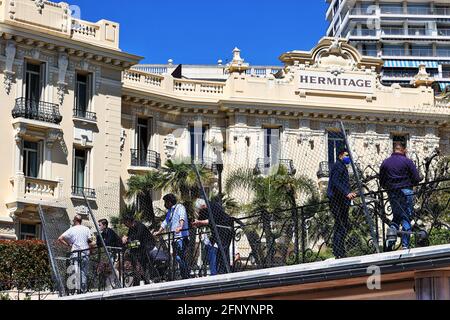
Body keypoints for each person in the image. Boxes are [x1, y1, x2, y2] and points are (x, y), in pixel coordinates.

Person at [380, 142, 422, 250]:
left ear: (394, 150)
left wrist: (389, 187)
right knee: (406, 217)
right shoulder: (407, 161)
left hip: (392, 192)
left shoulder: (385, 163)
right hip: (406, 191)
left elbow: (382, 181)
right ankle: (405, 245)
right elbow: (416, 178)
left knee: (397, 216)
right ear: (403, 150)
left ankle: (390, 242)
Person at [327, 149, 358, 259]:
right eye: (346, 155)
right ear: (340, 156)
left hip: (341, 200)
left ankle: (340, 250)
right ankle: (338, 251)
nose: (348, 157)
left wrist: (349, 193)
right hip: (337, 201)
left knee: (342, 225)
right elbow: (336, 182)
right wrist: (347, 193)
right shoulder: (338, 166)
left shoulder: (341, 166)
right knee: (340, 225)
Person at [192, 198, 234, 275]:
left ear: (203, 205)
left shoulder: (213, 206)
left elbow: (211, 220)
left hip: (225, 228)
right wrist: (197, 223)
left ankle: (225, 271)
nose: (201, 210)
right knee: (220, 251)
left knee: (224, 249)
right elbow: (201, 219)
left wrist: (199, 222)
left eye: (200, 209)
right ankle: (221, 271)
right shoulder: (204, 209)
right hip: (217, 231)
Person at [154, 194, 190, 279]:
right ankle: (183, 274)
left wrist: (180, 227)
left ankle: (186, 275)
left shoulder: (180, 207)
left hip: (181, 237)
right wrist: (159, 232)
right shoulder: (170, 211)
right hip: (174, 237)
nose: (165, 204)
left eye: (165, 202)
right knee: (177, 257)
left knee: (180, 256)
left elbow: (182, 217)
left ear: (169, 202)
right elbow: (165, 222)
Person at [58, 215, 93, 293]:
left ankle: (77, 290)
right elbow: (90, 241)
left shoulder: (72, 229)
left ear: (75, 221)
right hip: (85, 252)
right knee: (84, 272)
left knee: (76, 270)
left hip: (76, 252)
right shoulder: (86, 229)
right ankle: (83, 290)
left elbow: (60, 238)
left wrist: (68, 244)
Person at [122, 215, 156, 285]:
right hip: (139, 247)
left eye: (125, 223)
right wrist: (126, 239)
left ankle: (143, 277)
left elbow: (137, 238)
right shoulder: (131, 228)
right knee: (130, 253)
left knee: (138, 258)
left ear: (128, 221)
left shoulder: (140, 226)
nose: (125, 225)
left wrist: (127, 239)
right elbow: (131, 239)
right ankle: (138, 277)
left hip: (147, 246)